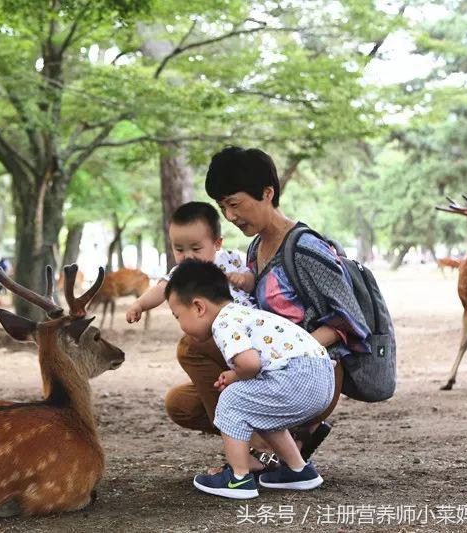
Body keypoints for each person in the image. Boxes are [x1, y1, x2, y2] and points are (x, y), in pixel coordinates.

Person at [164, 146, 371, 464]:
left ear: (267, 192)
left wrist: (294, 351)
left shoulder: (307, 249)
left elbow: (351, 320)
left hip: (308, 373)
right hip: (270, 366)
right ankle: (280, 444)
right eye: (223, 207)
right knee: (180, 403)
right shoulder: (254, 250)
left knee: (191, 344)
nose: (230, 217)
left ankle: (260, 450)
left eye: (234, 204)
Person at [166, 259, 334, 499]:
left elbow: (249, 364)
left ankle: (238, 477)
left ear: (198, 307)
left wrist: (234, 375)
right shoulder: (243, 313)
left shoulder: (223, 323)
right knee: (257, 407)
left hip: (300, 377)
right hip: (319, 376)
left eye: (177, 316)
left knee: (231, 399)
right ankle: (298, 470)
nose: (181, 325)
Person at [126, 201, 255, 324]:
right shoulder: (181, 273)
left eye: (196, 249)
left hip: (250, 318)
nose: (188, 256)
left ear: (216, 244)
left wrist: (244, 279)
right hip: (217, 329)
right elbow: (160, 290)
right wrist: (139, 305)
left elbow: (252, 283)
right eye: (179, 249)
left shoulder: (232, 259)